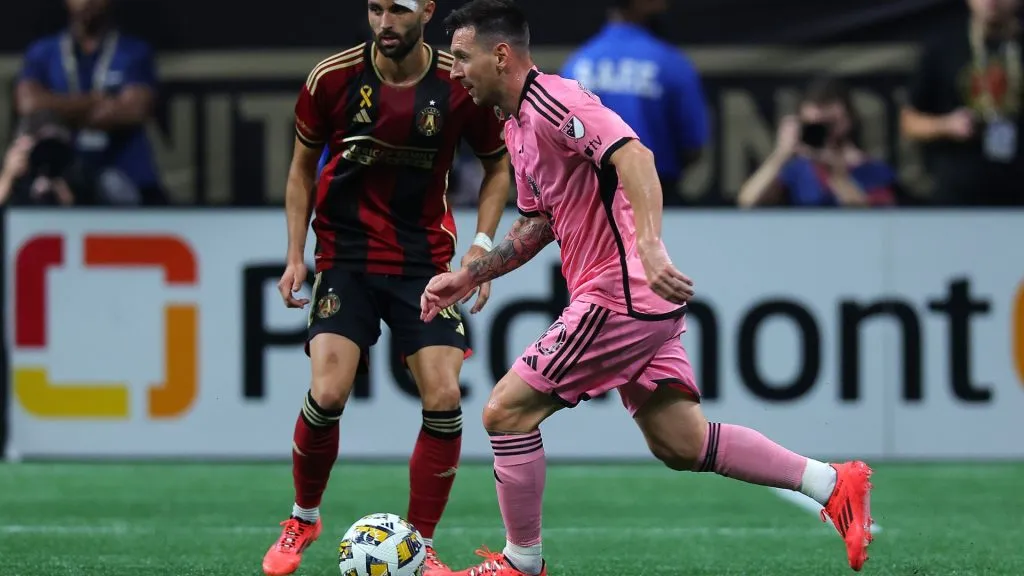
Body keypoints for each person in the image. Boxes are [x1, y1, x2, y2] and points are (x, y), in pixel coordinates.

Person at [423, 1, 875, 574]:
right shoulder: (514, 124)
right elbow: (540, 222)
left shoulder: (554, 101)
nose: (456, 70)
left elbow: (635, 155)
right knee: (680, 443)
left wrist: (650, 244)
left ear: (501, 54)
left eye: (462, 57)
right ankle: (833, 482)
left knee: (505, 412)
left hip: (619, 296)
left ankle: (520, 562)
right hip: (633, 298)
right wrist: (472, 272)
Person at [263, 1, 510, 575]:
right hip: (345, 256)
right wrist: (295, 255)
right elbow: (300, 170)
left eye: (397, 9)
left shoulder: (457, 80)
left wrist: (479, 250)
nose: (383, 22)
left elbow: (498, 166)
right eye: (374, 8)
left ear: (426, 10)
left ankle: (417, 550)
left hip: (424, 261)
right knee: (327, 394)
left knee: (445, 397)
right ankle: (303, 517)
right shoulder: (332, 78)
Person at [15, 0, 164, 205]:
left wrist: (57, 111)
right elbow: (29, 104)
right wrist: (95, 101)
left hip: (125, 174)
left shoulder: (135, 52)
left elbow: (135, 109)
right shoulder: (43, 52)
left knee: (116, 189)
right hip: (61, 174)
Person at [560, 0, 708, 206]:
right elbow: (693, 147)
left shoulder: (577, 63)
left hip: (589, 206)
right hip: (656, 203)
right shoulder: (671, 62)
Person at [900, 0, 1024, 206]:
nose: (991, 2)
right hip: (959, 194)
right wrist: (947, 125)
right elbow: (909, 123)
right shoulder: (944, 46)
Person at [737, 77, 898, 208]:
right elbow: (748, 201)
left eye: (829, 124)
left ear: (848, 120)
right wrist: (781, 153)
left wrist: (835, 173)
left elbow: (873, 218)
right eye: (814, 126)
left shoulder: (873, 169)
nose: (822, 133)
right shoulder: (798, 170)